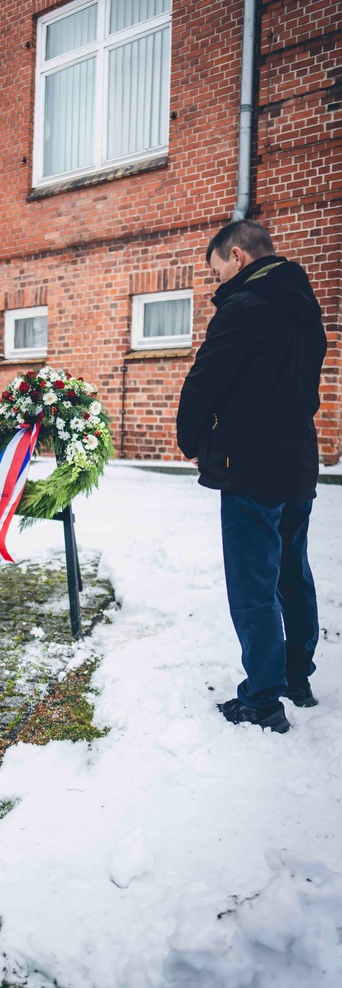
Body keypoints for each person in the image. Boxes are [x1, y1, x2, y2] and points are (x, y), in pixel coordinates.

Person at [177, 220, 327, 733]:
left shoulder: (243, 308)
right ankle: (296, 677)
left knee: (253, 586)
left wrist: (192, 441)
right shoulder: (306, 310)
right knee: (292, 573)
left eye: (216, 271)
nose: (215, 282)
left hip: (251, 464)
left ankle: (263, 700)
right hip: (299, 462)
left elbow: (205, 381)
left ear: (238, 257)